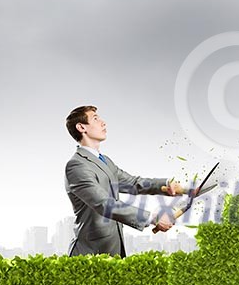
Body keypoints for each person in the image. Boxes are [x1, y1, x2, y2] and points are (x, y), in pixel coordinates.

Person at [64, 105, 183, 258]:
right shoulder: (77, 165)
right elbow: (104, 204)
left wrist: (165, 184)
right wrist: (152, 218)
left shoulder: (105, 161)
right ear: (81, 127)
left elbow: (132, 183)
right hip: (90, 253)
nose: (103, 122)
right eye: (95, 118)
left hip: (113, 248)